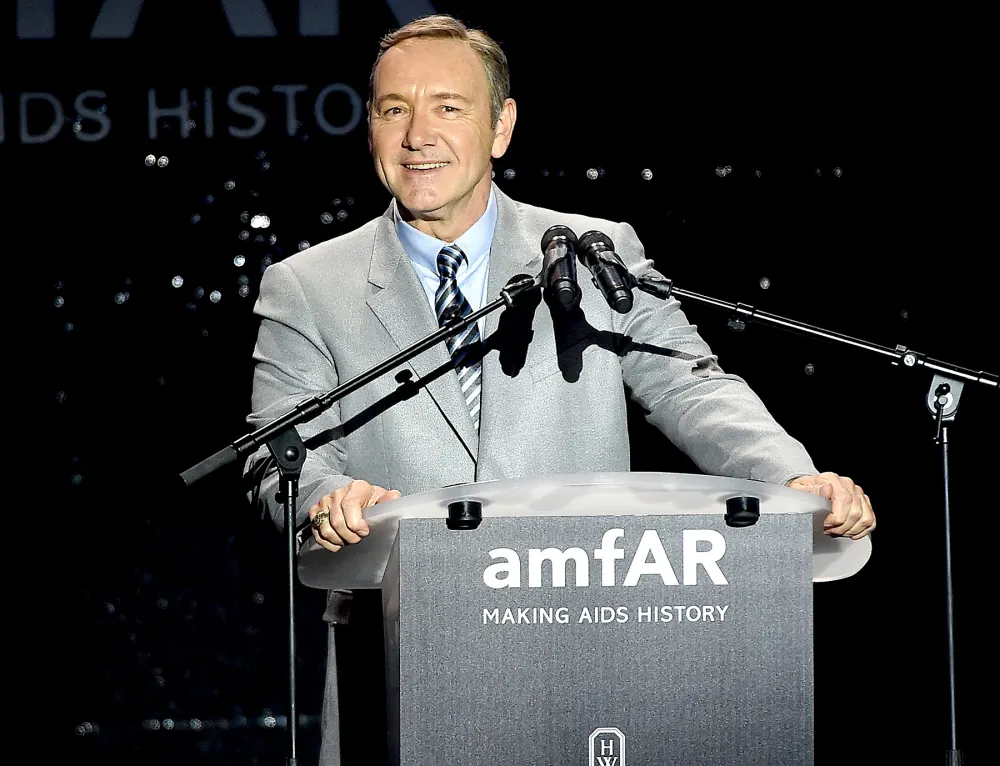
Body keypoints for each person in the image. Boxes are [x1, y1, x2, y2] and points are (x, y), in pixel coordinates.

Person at [244, 13, 875, 764]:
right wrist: (324, 498)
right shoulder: (308, 286)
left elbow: (690, 385)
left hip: (586, 635)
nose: (419, 134)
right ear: (372, 128)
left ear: (501, 126)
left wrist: (791, 478)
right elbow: (278, 454)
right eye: (394, 109)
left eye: (448, 106)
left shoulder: (590, 252)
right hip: (399, 658)